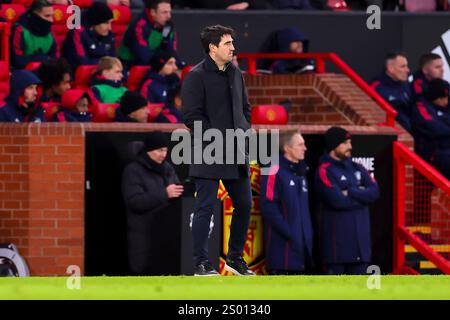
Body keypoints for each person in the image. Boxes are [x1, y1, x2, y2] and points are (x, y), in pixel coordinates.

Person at [181, 25, 254, 276]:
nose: (233, 47)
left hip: (236, 150)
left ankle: (234, 258)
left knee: (245, 203)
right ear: (213, 48)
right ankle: (201, 262)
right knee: (206, 207)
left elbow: (245, 108)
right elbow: (191, 116)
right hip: (208, 150)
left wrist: (244, 129)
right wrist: (215, 140)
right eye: (227, 43)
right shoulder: (195, 75)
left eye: (232, 43)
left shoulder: (235, 72)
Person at [314, 127, 379, 275]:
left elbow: (375, 192)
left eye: (350, 142)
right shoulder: (325, 170)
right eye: (344, 143)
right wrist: (362, 196)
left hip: (361, 250)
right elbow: (337, 200)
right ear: (333, 146)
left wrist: (350, 191)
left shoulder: (359, 168)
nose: (350, 146)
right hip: (337, 252)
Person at [121, 131, 184, 275]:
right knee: (142, 272)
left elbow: (176, 190)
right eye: (159, 150)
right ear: (148, 150)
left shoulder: (167, 168)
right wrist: (165, 194)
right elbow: (135, 202)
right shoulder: (133, 170)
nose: (163, 154)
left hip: (167, 232)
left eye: (166, 150)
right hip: (142, 232)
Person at [260, 130, 313, 275]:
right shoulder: (272, 169)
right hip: (281, 252)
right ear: (287, 148)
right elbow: (268, 206)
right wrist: (290, 232)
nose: (305, 148)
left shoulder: (302, 172)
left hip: (302, 251)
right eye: (300, 145)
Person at [410, 78, 450, 180]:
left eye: (447, 97)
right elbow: (433, 127)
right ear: (434, 97)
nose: (446, 101)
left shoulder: (446, 107)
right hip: (433, 150)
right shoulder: (421, 105)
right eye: (442, 98)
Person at [119, 0, 177, 67]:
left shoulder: (167, 25)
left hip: (156, 66)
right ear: (152, 12)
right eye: (164, 12)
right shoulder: (139, 26)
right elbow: (143, 56)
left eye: (169, 12)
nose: (169, 16)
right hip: (130, 67)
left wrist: (181, 66)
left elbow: (172, 53)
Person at [62, 1, 116, 70]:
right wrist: (105, 64)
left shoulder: (109, 34)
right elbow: (82, 63)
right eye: (106, 23)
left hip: (105, 73)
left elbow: (113, 61)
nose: (110, 27)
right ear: (95, 22)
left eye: (111, 23)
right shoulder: (78, 34)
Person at [371, 52, 412, 132]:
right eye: (403, 66)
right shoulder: (377, 87)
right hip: (390, 134)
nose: (407, 70)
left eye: (407, 66)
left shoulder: (406, 85)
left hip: (409, 133)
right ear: (390, 69)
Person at [10, 0, 56, 69]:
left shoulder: (50, 33)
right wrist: (42, 58)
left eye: (52, 16)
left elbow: (54, 58)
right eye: (47, 16)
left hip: (46, 70)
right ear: (34, 16)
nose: (51, 20)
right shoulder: (19, 30)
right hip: (21, 71)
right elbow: (18, 61)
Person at [139, 50, 182, 123]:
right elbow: (144, 110)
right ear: (160, 65)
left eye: (175, 63)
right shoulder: (149, 85)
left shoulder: (175, 82)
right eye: (170, 63)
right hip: (159, 123)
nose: (175, 67)